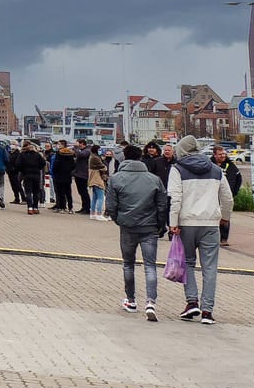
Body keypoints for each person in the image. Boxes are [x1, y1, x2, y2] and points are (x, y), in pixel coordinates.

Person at [166, 135, 233, 324]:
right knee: (210, 267)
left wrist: (173, 223)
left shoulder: (177, 170)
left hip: (186, 223)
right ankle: (207, 311)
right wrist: (225, 218)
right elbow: (227, 198)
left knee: (187, 262)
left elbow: (175, 199)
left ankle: (192, 301)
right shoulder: (216, 170)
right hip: (211, 224)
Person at [109, 143, 169, 320]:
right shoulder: (153, 179)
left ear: (124, 157)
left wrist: (119, 220)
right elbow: (162, 204)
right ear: (140, 157)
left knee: (128, 264)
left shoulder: (116, 178)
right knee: (150, 265)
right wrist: (160, 225)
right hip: (149, 227)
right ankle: (150, 302)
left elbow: (111, 205)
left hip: (127, 226)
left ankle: (131, 300)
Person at [212, 145, 244, 245]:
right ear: (214, 155)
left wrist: (234, 192)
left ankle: (224, 239)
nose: (222, 156)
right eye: (220, 154)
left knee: (225, 216)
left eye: (224, 154)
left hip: (225, 196)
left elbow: (239, 178)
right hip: (212, 196)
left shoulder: (230, 165)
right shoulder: (209, 164)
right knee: (213, 217)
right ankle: (213, 237)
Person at [15, 139, 47, 214]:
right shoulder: (37, 155)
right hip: (36, 175)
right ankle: (35, 207)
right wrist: (38, 168)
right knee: (36, 192)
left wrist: (23, 170)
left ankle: (30, 208)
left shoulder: (22, 155)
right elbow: (43, 163)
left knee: (28, 192)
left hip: (27, 175)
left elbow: (17, 164)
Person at [50, 141, 76, 212]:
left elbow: (56, 165)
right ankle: (70, 208)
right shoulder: (70, 155)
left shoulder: (59, 154)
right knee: (68, 193)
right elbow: (73, 165)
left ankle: (61, 207)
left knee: (60, 192)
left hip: (59, 176)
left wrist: (55, 172)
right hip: (67, 176)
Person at [88, 147, 110, 220]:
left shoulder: (92, 157)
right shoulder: (96, 158)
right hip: (97, 178)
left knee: (94, 197)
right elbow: (104, 168)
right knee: (100, 197)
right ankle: (99, 214)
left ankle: (93, 213)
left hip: (92, 178)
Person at [72, 141, 93, 213]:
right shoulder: (81, 151)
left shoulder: (87, 150)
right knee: (80, 192)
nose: (78, 145)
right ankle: (83, 207)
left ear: (82, 144)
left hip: (83, 175)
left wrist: (76, 148)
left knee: (84, 192)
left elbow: (81, 155)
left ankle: (87, 208)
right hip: (78, 174)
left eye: (79, 144)